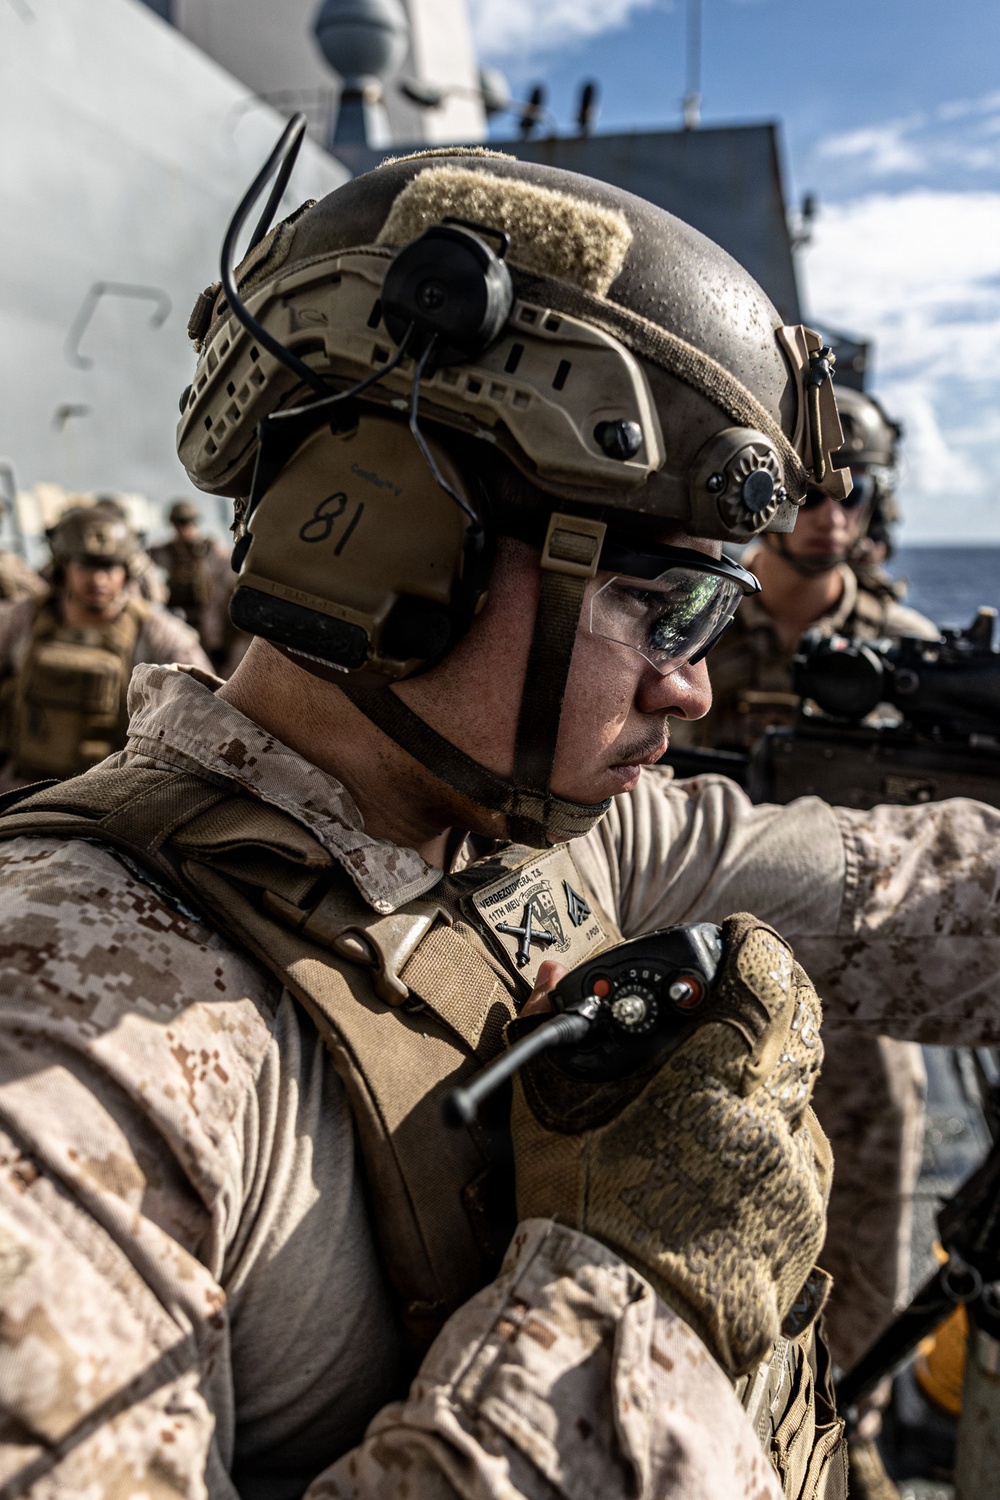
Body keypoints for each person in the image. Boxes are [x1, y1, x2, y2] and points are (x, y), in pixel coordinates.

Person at [0, 150, 998, 1500]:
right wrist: (631, 1300)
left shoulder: (565, 841)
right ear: (392, 552)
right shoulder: (68, 1045)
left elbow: (916, 898)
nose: (691, 683)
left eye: (713, 618)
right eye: (662, 606)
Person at [670, 387, 940, 1498]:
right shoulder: (696, 624)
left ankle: (847, 1408)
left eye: (855, 494)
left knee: (878, 1144)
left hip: (854, 962)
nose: (833, 516)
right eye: (814, 492)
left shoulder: (908, 659)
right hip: (696, 948)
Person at [0, 502, 211, 785]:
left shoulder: (155, 632)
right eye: (86, 565)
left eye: (109, 566)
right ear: (65, 565)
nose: (98, 579)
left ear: (127, 570)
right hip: (19, 787)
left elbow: (208, 708)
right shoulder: (24, 619)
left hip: (105, 797)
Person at [151, 498, 246, 673]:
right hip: (176, 624)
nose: (184, 528)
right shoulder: (162, 553)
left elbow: (231, 581)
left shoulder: (212, 551)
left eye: (188, 522)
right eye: (179, 522)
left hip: (210, 627)